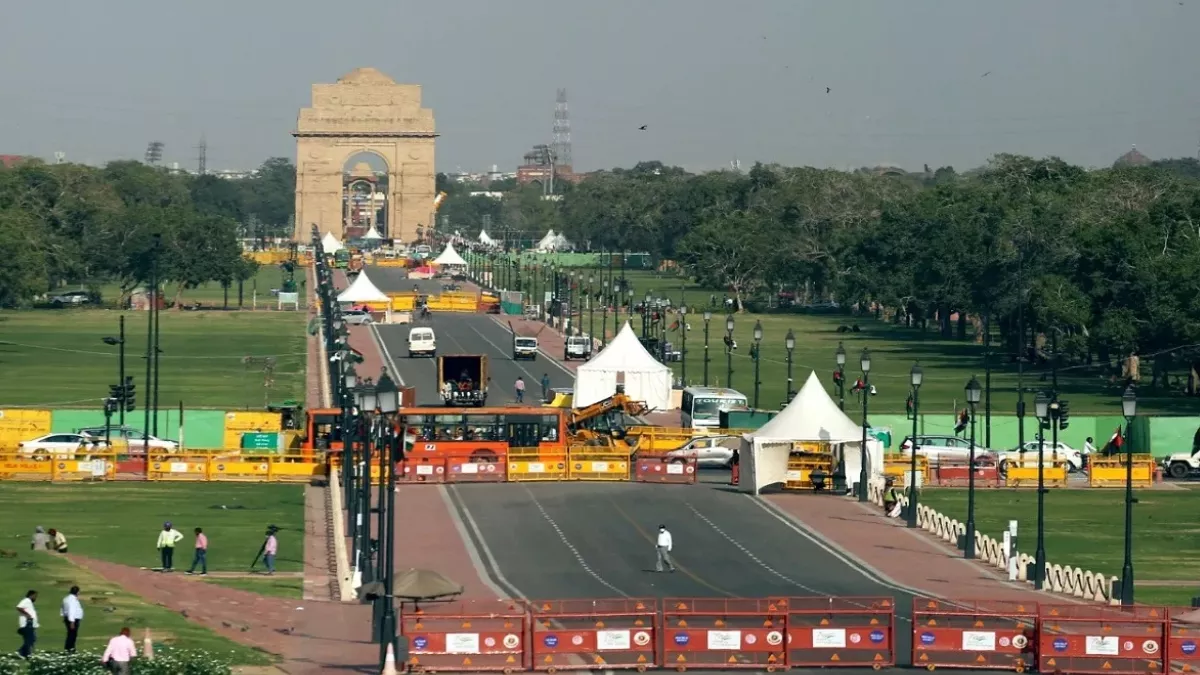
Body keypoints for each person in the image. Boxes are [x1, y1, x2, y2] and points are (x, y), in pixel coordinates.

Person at [16, 589, 38, 658]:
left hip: (30, 624)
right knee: (29, 639)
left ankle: (25, 653)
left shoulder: (29, 602)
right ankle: (22, 652)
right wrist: (27, 615)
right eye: (35, 596)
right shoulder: (26, 601)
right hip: (26, 624)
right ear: (31, 595)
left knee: (32, 639)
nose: (35, 598)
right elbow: (19, 607)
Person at [61, 585, 83, 651]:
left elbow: (62, 608)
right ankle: (70, 648)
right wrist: (72, 621)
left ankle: (69, 648)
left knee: (71, 634)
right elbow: (71, 610)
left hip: (68, 618)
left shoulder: (66, 598)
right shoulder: (72, 600)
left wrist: (64, 616)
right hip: (73, 620)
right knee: (72, 635)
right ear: (77, 592)